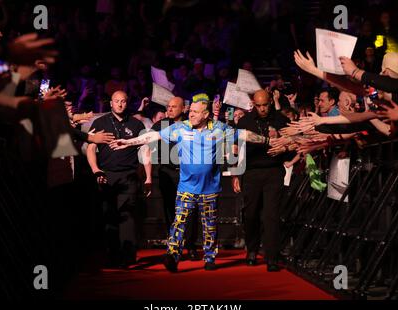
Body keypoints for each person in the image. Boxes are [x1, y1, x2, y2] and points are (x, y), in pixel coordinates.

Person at [110, 93, 278, 272]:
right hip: (186, 187)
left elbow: (244, 134)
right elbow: (152, 137)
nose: (191, 115)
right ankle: (173, 256)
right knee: (178, 223)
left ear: (206, 115)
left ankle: (209, 257)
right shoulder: (181, 128)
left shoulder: (219, 128)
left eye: (196, 112)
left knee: (209, 224)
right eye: (191, 111)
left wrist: (268, 140)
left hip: (209, 188)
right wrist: (128, 143)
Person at [86, 90, 152, 268]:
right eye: (117, 101)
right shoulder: (100, 122)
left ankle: (128, 257)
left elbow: (145, 150)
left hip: (129, 175)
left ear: (127, 102)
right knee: (108, 216)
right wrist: (96, 170)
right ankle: (111, 255)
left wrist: (148, 177)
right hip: (105, 174)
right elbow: (91, 148)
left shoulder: (136, 124)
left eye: (123, 101)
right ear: (111, 103)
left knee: (128, 216)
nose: (120, 104)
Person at [233, 89, 290, 272]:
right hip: (251, 173)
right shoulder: (245, 121)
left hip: (274, 171)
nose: (263, 108)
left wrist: (283, 148)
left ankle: (271, 256)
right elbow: (237, 149)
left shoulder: (281, 119)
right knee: (250, 214)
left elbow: (294, 142)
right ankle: (251, 250)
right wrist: (235, 174)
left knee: (271, 216)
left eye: (265, 105)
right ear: (253, 104)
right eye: (259, 105)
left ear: (270, 103)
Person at [150, 96, 200, 260]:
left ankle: (191, 245)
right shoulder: (159, 126)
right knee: (170, 210)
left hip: (188, 173)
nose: (169, 109)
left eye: (173, 107)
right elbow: (149, 147)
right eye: (168, 106)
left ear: (183, 109)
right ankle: (174, 246)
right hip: (167, 173)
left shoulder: (192, 125)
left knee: (190, 211)